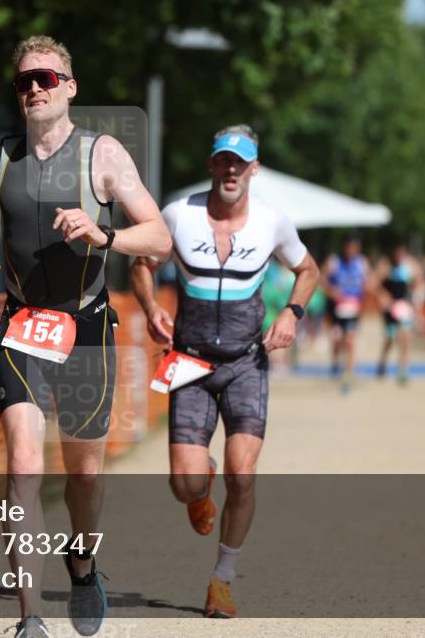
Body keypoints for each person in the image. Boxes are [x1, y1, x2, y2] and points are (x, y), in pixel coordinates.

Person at [0, 35, 171, 638]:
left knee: (83, 478)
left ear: (70, 87)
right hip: (23, 323)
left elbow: (157, 237)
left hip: (85, 326)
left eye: (45, 79)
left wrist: (104, 236)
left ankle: (82, 563)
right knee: (24, 466)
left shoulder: (103, 156)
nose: (33, 89)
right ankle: (32, 619)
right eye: (24, 81)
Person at [130, 125, 319, 619]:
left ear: (254, 169)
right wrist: (151, 309)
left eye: (241, 162)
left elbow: (309, 271)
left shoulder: (272, 222)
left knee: (243, 472)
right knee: (185, 486)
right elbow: (141, 266)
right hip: (188, 362)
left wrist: (291, 314)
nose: (231, 169)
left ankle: (222, 581)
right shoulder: (178, 214)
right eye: (223, 160)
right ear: (212, 164)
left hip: (245, 362)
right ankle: (199, 484)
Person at [321, 236, 370, 394]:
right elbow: (319, 278)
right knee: (337, 340)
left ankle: (348, 374)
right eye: (348, 248)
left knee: (349, 341)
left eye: (354, 249)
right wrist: (331, 291)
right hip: (336, 309)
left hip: (353, 309)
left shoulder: (362, 263)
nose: (351, 252)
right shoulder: (334, 261)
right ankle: (335, 364)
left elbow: (369, 282)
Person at [373, 245, 425, 385]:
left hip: (404, 308)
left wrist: (416, 301)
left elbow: (419, 282)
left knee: (405, 339)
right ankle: (382, 363)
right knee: (390, 338)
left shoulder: (411, 266)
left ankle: (403, 370)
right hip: (390, 309)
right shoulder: (386, 266)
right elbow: (374, 284)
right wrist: (383, 297)